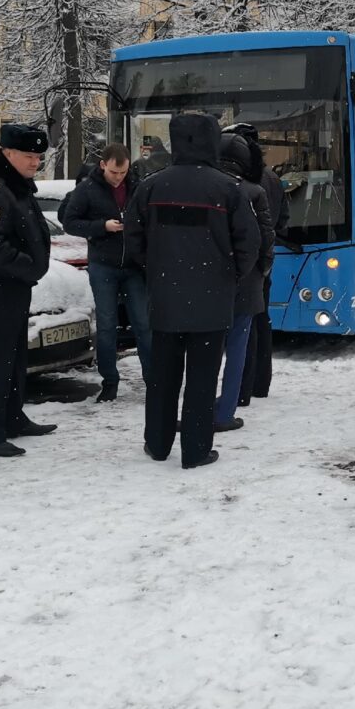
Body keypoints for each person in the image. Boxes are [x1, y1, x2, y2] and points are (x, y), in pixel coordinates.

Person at [126, 112, 258, 470]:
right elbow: (249, 244)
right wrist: (226, 277)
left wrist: (157, 271)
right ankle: (196, 449)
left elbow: (133, 239)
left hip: (165, 298)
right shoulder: (228, 188)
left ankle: (157, 442)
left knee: (163, 377)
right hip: (211, 302)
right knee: (202, 378)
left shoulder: (151, 186)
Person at [0, 124, 58, 457]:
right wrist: (27, 266)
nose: (35, 162)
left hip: (11, 283)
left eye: (38, 157)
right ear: (7, 152)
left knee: (14, 355)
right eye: (29, 156)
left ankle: (12, 417)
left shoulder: (13, 184)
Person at [59, 142, 152, 403]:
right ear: (103, 165)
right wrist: (102, 226)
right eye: (113, 172)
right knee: (107, 326)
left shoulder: (137, 186)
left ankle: (153, 379)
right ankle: (110, 381)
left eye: (122, 173)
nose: (118, 178)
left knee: (143, 325)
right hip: (103, 265)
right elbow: (70, 222)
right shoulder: (88, 188)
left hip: (133, 266)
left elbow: (150, 218)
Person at [222, 123, 286, 407]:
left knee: (241, 328)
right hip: (262, 261)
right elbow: (282, 220)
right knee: (261, 321)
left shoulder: (238, 183)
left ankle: (242, 388)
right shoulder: (271, 178)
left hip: (244, 261)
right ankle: (261, 383)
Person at [214, 133, 275, 431]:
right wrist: (260, 271)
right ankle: (227, 408)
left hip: (211, 281)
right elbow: (265, 239)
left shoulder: (209, 188)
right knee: (239, 345)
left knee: (209, 346)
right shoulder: (253, 191)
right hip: (247, 281)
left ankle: (201, 403)